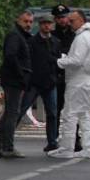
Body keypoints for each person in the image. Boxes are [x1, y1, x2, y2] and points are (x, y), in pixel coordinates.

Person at [48, 10, 90, 159]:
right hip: (86, 80)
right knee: (84, 115)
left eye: (72, 21)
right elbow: (79, 58)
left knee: (69, 114)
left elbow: (76, 61)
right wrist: (66, 58)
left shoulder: (82, 38)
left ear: (81, 21)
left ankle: (67, 148)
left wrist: (58, 61)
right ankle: (88, 148)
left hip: (79, 81)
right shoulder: (89, 36)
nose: (69, 23)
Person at [18, 14, 61, 152]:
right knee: (21, 110)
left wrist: (56, 77)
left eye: (49, 23)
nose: (47, 26)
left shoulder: (56, 42)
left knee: (52, 114)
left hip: (50, 83)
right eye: (44, 23)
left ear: (52, 25)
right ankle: (7, 139)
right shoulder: (32, 42)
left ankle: (52, 142)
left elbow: (59, 61)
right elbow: (27, 61)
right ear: (40, 25)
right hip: (34, 83)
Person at [0, 11, 33, 158]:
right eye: (25, 21)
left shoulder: (21, 36)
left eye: (30, 22)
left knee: (9, 112)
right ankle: (7, 147)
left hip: (13, 79)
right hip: (13, 80)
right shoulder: (15, 36)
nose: (28, 24)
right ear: (18, 20)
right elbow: (11, 56)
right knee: (12, 113)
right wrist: (21, 76)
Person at [51, 4, 82, 152]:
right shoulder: (52, 35)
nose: (62, 20)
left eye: (64, 17)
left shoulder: (76, 34)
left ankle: (75, 139)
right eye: (58, 18)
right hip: (57, 76)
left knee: (72, 109)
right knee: (55, 110)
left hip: (72, 76)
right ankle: (53, 140)